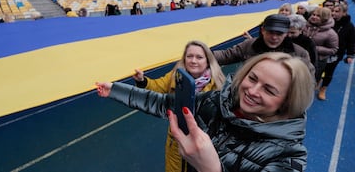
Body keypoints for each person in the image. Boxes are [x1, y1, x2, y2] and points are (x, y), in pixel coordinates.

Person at [96, 52, 315, 172]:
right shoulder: (217, 100)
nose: (252, 91)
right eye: (252, 78)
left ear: (288, 101)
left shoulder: (288, 156)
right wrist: (116, 89)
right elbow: (164, 103)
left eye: (269, 90)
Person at [132, 40, 226, 172]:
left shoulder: (218, 86)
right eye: (189, 56)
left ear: (208, 60)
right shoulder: (175, 77)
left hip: (204, 144)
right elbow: (156, 86)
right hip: (177, 143)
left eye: (199, 57)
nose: (193, 61)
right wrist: (142, 81)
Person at [213, 14, 315, 77]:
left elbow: (308, 77)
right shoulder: (249, 45)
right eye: (271, 32)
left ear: (286, 34)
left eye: (279, 34)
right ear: (262, 30)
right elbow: (226, 55)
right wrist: (201, 53)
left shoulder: (299, 53)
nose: (274, 37)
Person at [319, 3, 355, 100]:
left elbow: (351, 41)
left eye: (337, 11)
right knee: (319, 69)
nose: (333, 13)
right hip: (323, 51)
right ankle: (318, 81)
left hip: (336, 54)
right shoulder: (328, 22)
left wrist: (350, 55)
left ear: (344, 13)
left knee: (329, 72)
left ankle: (323, 88)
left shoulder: (349, 26)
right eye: (333, 11)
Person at [302, 7, 338, 98]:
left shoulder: (331, 33)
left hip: (318, 61)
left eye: (318, 16)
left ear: (324, 18)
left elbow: (333, 49)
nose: (314, 17)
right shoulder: (304, 26)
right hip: (302, 57)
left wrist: (314, 48)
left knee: (311, 80)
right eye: (313, 14)